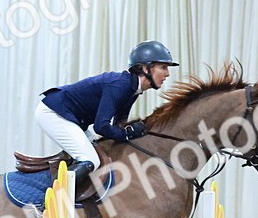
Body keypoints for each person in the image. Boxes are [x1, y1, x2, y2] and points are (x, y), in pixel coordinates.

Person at [36, 41, 179, 187]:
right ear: (144, 68)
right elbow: (101, 126)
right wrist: (127, 134)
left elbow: (119, 124)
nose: (167, 73)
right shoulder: (120, 85)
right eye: (163, 67)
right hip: (53, 112)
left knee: (100, 153)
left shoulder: (132, 89)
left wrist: (134, 133)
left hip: (71, 118)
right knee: (90, 160)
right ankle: (49, 200)